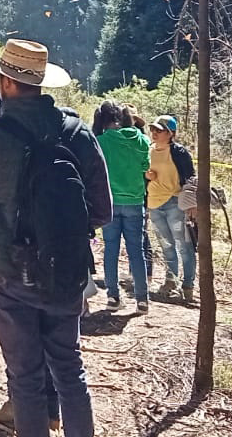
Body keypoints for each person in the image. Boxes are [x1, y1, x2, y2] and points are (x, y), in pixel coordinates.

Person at [0, 39, 113, 437]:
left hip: (8, 273)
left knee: (24, 377)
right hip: (67, 272)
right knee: (70, 371)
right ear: (40, 83)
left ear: (5, 82)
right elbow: (103, 211)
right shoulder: (78, 133)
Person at [93, 102, 152, 312]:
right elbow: (146, 168)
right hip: (135, 202)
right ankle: (142, 299)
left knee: (111, 250)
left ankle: (113, 297)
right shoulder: (142, 140)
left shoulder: (100, 141)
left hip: (110, 203)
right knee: (137, 251)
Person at [146, 114, 196, 303]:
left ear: (171, 133)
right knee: (166, 246)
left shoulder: (179, 153)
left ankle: (188, 285)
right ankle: (170, 281)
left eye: (159, 130)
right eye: (153, 129)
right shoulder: (148, 150)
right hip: (154, 203)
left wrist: (192, 205)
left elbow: (191, 178)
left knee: (184, 246)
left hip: (175, 203)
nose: (155, 133)